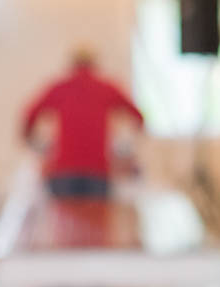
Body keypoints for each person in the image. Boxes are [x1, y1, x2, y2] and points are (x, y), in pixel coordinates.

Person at [21, 48, 143, 199]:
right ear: (93, 64)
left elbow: (29, 116)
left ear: (72, 64)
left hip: (63, 171)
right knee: (98, 220)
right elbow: (138, 117)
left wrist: (36, 148)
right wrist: (127, 149)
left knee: (62, 220)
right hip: (98, 170)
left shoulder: (60, 87)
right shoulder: (106, 87)